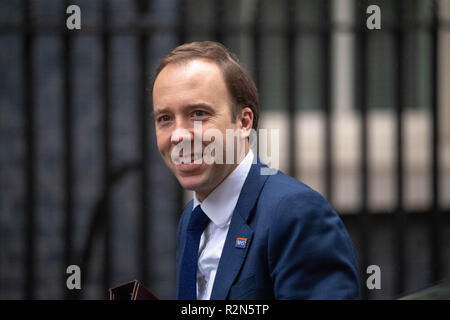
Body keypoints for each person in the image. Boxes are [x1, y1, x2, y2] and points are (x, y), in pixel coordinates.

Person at [152, 41, 360, 300]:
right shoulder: (192, 220)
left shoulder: (296, 214)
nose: (179, 135)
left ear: (243, 122)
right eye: (165, 119)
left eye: (199, 113)